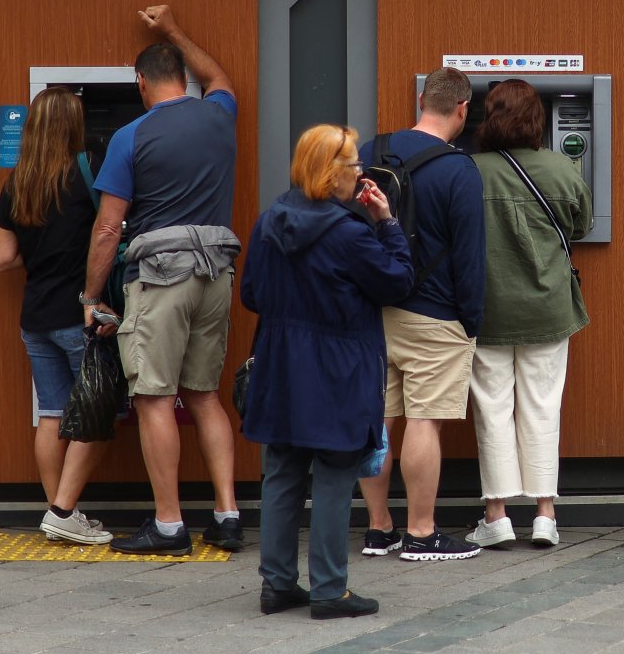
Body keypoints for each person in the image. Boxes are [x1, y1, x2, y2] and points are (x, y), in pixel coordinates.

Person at [82, 5, 245, 556]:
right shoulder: (220, 112)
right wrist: (176, 29)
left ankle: (170, 525)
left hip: (159, 276)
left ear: (140, 82)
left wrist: (90, 297)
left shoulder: (131, 136)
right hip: (215, 272)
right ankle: (227, 515)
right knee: (204, 395)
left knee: (154, 397)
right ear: (184, 77)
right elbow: (219, 76)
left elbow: (108, 228)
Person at [241, 125, 413, 619]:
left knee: (283, 471)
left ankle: (276, 585)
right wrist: (387, 223)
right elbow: (397, 282)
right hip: (338, 366)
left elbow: (252, 294)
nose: (360, 172)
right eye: (353, 164)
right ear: (331, 173)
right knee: (336, 474)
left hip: (280, 362)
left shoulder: (271, 219)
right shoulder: (349, 232)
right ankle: (329, 589)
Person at [357, 67, 486, 563]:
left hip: (374, 310)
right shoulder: (460, 170)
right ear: (462, 109)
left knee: (380, 421)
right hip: (435, 315)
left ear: (419, 99)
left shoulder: (373, 151)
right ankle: (422, 532)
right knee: (424, 423)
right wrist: (470, 318)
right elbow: (471, 255)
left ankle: (378, 529)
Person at [463, 79, 593, 550]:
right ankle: (544, 515)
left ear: (487, 117)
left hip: (488, 308)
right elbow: (583, 224)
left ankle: (496, 516)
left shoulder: (468, 171)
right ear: (538, 120)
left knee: (492, 407)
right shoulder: (561, 168)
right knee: (542, 405)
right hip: (548, 307)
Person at [0, 86, 114, 546]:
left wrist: (39, 256)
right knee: (98, 415)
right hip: (77, 312)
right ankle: (64, 510)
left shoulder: (17, 183)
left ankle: (58, 513)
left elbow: (4, 258)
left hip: (35, 316)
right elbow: (108, 231)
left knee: (52, 414)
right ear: (74, 124)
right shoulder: (87, 170)